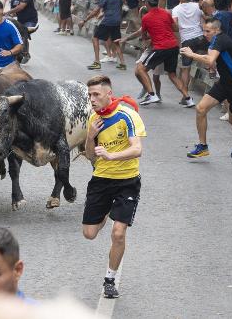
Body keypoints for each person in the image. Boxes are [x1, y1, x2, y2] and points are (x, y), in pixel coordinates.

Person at [83, 75, 146, 299]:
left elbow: (137, 149)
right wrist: (90, 137)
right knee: (89, 234)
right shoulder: (93, 120)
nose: (92, 99)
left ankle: (109, 279)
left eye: (96, 94)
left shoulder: (127, 115)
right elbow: (90, 156)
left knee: (118, 233)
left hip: (127, 180)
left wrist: (111, 155)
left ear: (109, 93)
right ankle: (110, 209)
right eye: (89, 95)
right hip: (101, 180)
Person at [180, 18, 232, 158]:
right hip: (224, 83)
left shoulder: (221, 39)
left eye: (208, 31)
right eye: (204, 30)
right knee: (201, 109)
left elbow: (210, 59)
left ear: (217, 30)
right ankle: (202, 147)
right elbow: (214, 58)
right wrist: (212, 68)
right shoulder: (214, 40)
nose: (205, 34)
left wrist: (191, 54)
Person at [130, 0, 194, 106]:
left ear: (147, 4)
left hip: (161, 47)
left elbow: (144, 36)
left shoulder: (146, 17)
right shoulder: (166, 13)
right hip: (173, 47)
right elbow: (175, 28)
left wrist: (151, 35)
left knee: (140, 69)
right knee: (172, 75)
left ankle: (151, 94)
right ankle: (188, 98)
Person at [82, 0, 126, 71]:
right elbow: (119, 8)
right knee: (116, 41)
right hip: (116, 21)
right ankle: (122, 63)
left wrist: (85, 20)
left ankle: (97, 62)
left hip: (108, 21)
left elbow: (96, 11)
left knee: (95, 38)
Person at [172, 0, 207, 96]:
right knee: (208, 54)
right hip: (200, 37)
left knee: (185, 69)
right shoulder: (197, 6)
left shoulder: (176, 9)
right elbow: (204, 17)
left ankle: (185, 94)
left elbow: (175, 25)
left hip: (187, 41)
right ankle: (212, 70)